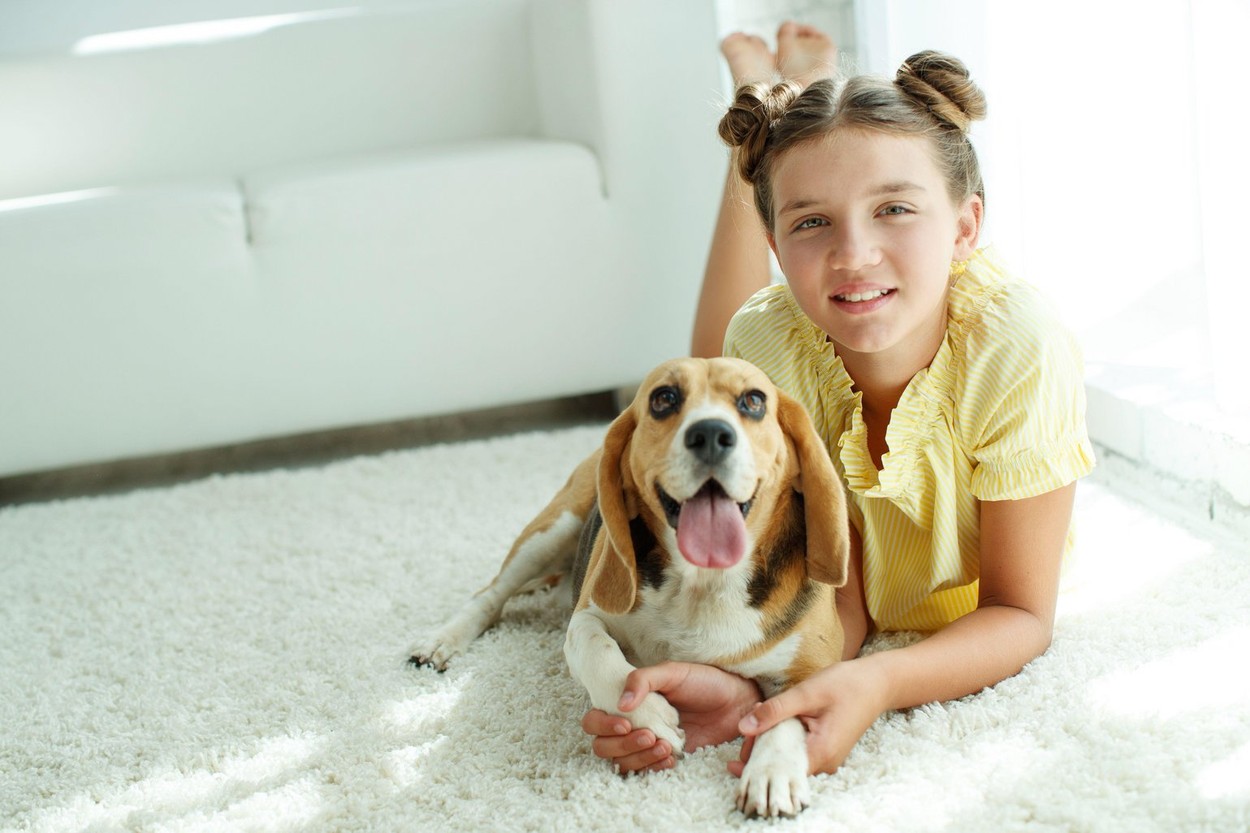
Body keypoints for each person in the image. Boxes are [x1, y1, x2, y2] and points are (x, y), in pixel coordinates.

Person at [580, 21, 1096, 778]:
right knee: (716, 363)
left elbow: (1021, 614)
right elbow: (837, 585)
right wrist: (749, 694)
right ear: (775, 245)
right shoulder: (773, 339)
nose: (854, 253)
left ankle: (783, 91)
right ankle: (765, 114)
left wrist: (872, 682)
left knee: (726, 346)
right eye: (811, 223)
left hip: (975, 598)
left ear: (964, 227)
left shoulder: (1020, 345)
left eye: (895, 208)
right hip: (782, 363)